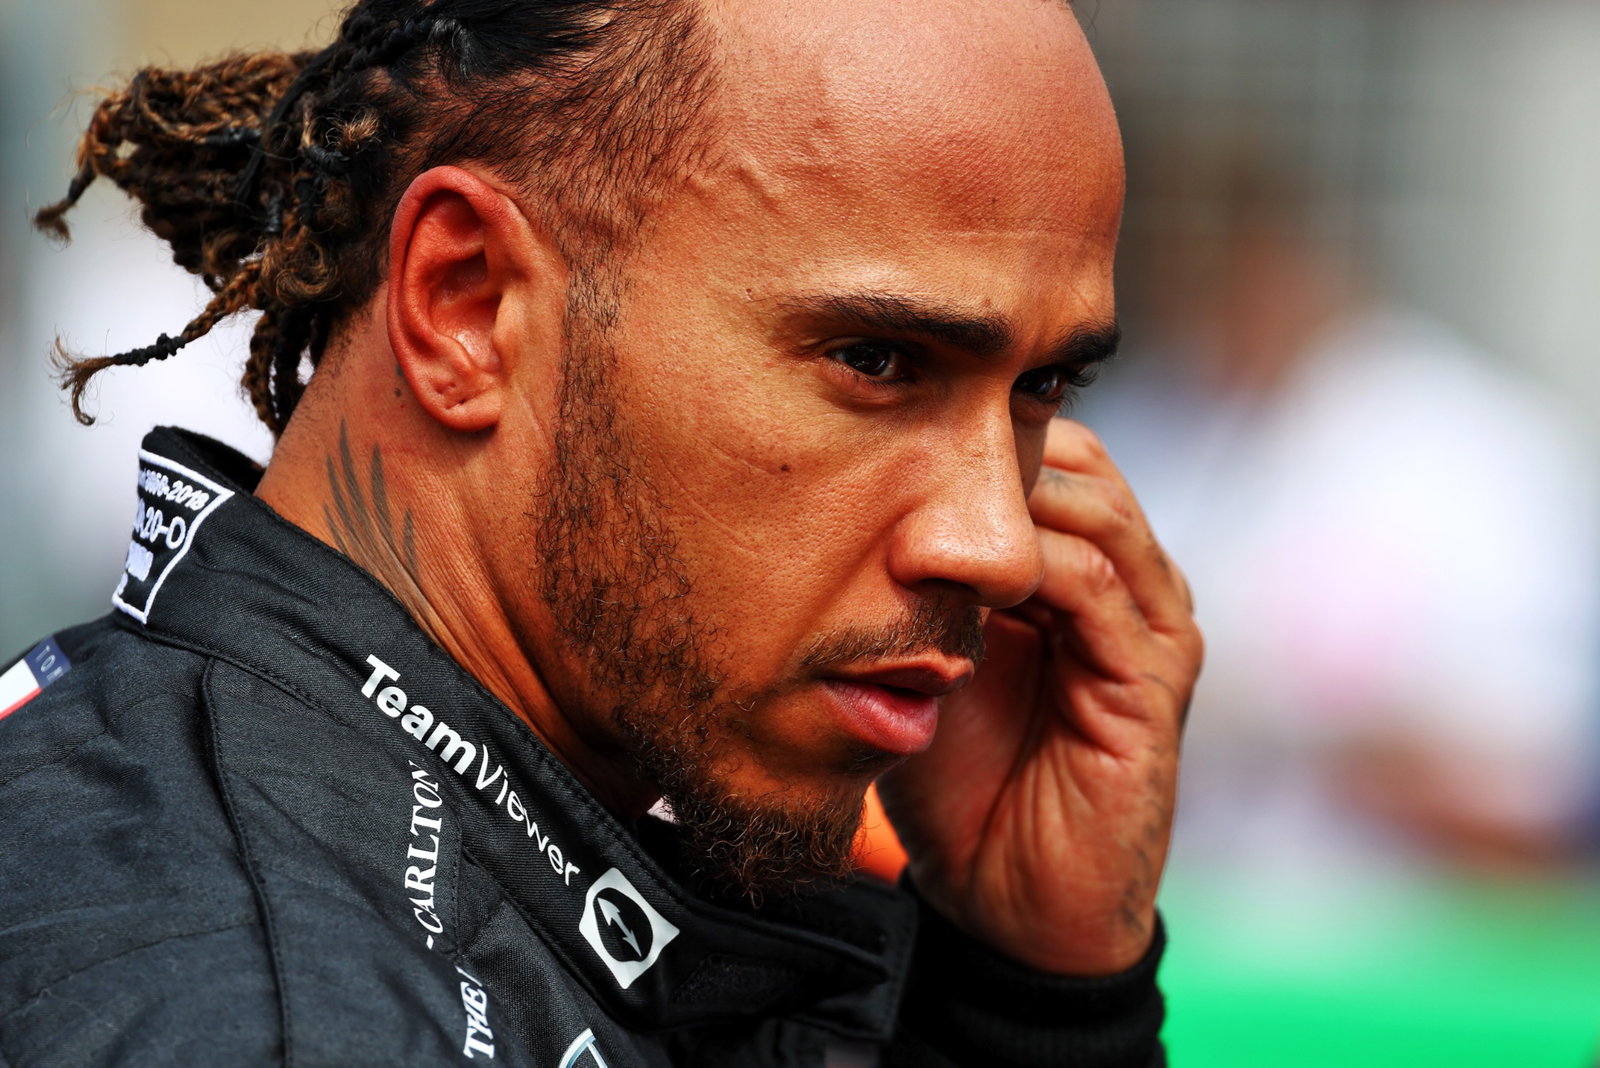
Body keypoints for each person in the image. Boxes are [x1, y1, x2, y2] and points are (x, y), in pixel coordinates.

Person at [0, 0, 1202, 1064]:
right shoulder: (268, 1010)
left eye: (1043, 389)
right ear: (464, 303)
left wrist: (1030, 1004)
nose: (999, 546)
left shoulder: (211, 799)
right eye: (877, 361)